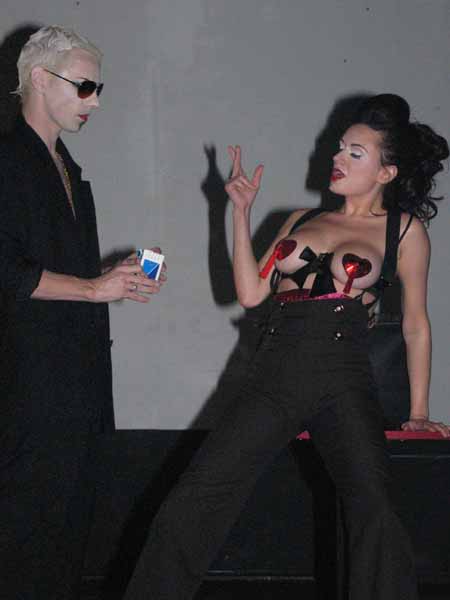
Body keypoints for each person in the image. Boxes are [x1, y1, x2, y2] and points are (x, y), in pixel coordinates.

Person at [123, 94, 449, 600]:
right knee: (194, 497)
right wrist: (239, 212)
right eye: (339, 147)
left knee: (375, 509)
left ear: (386, 172)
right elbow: (252, 293)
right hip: (276, 368)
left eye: (355, 153)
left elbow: (415, 325)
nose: (337, 158)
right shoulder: (299, 218)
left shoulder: (403, 230)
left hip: (343, 374)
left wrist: (419, 412)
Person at [0, 26, 165, 600]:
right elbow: (7, 271)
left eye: (99, 89)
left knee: (68, 535)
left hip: (75, 385)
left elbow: (50, 271)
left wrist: (111, 277)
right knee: (27, 534)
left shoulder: (66, 168)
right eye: (85, 86)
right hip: (30, 388)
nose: (95, 101)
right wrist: (94, 288)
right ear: (40, 79)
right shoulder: (8, 161)